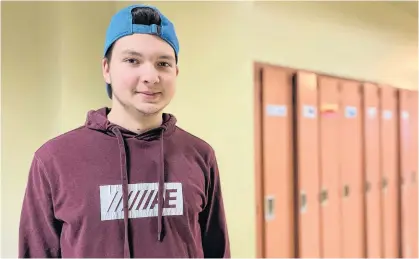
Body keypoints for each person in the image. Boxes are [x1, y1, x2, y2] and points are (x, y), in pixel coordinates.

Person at [18, 4, 230, 258]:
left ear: (176, 71)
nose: (151, 76)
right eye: (132, 60)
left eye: (163, 63)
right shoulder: (53, 160)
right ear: (106, 69)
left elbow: (217, 250)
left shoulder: (200, 155)